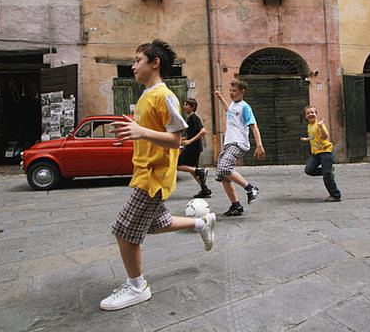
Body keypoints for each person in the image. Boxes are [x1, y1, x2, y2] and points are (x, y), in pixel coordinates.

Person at [101, 39, 216, 311]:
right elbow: (154, 133)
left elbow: (176, 139)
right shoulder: (145, 95)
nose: (133, 66)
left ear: (155, 63)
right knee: (155, 223)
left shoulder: (164, 95)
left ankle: (137, 287)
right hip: (143, 170)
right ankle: (201, 223)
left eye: (138, 59)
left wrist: (141, 132)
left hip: (154, 175)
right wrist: (137, 127)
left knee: (124, 231)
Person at [213, 79, 265, 216]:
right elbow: (228, 112)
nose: (231, 93)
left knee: (224, 167)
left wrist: (259, 145)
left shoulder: (245, 107)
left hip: (238, 143)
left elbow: (254, 126)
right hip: (228, 143)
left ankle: (251, 188)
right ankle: (236, 206)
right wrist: (220, 98)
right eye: (230, 90)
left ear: (242, 92)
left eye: (234, 91)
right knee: (222, 174)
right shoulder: (233, 105)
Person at [300, 105, 342, 202]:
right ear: (306, 116)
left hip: (325, 152)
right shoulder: (309, 126)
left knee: (326, 175)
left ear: (316, 114)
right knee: (309, 170)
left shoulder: (319, 125)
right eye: (308, 113)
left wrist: (320, 126)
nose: (310, 114)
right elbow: (314, 137)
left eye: (312, 112)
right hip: (315, 153)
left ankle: (336, 195)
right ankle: (328, 170)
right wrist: (307, 139)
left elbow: (324, 136)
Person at [177, 98, 211, 198]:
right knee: (192, 170)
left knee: (175, 165)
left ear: (193, 107)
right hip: (193, 147)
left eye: (187, 105)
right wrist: (183, 139)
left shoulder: (194, 118)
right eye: (184, 104)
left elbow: (203, 131)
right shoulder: (189, 119)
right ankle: (205, 190)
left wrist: (190, 141)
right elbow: (190, 135)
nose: (184, 107)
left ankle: (200, 172)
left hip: (193, 148)